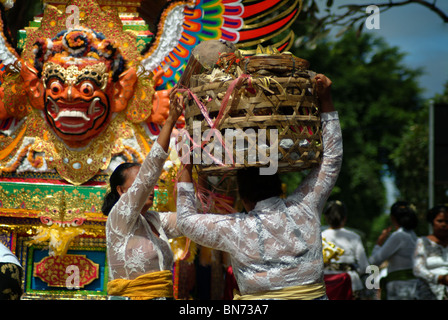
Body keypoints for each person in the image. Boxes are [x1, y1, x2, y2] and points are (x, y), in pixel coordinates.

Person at [176, 74, 343, 300]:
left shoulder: (235, 228)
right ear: (279, 186)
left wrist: (186, 164)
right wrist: (326, 99)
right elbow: (331, 159)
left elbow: (185, 220)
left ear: (243, 197)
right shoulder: (305, 207)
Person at [102, 87, 183, 300]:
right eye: (138, 184)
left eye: (145, 184)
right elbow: (149, 173)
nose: (148, 188)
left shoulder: (155, 220)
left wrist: (189, 166)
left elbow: (190, 220)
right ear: (121, 191)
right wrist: (171, 120)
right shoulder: (119, 218)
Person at [368, 201, 419, 300]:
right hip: (413, 285)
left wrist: (378, 243)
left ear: (392, 218)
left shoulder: (398, 236)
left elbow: (374, 261)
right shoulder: (413, 235)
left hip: (400, 288)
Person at [322, 200, 369, 300]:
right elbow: (364, 267)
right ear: (345, 218)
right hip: (351, 285)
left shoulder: (318, 237)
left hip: (325, 288)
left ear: (326, 217)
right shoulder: (354, 237)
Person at [413, 205, 448, 300]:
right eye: (440, 221)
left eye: (447, 221)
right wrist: (439, 278)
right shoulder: (423, 242)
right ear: (432, 222)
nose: (444, 225)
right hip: (427, 294)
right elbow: (418, 269)